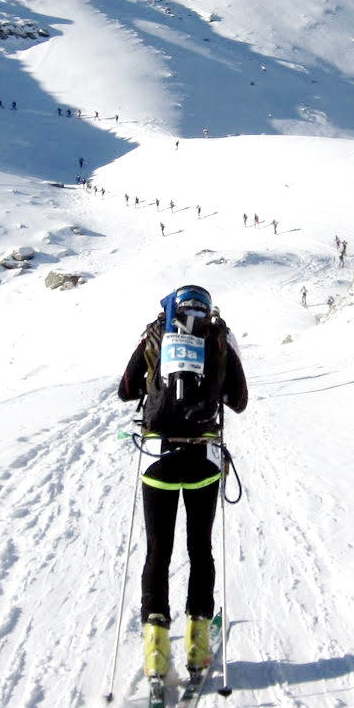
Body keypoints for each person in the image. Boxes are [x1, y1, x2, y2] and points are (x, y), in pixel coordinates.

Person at [118, 284, 248, 680]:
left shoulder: (157, 334)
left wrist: (150, 382)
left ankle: (156, 650)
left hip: (158, 459)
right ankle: (197, 645)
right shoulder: (219, 339)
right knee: (200, 551)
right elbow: (239, 400)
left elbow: (125, 390)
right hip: (202, 462)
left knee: (157, 554)